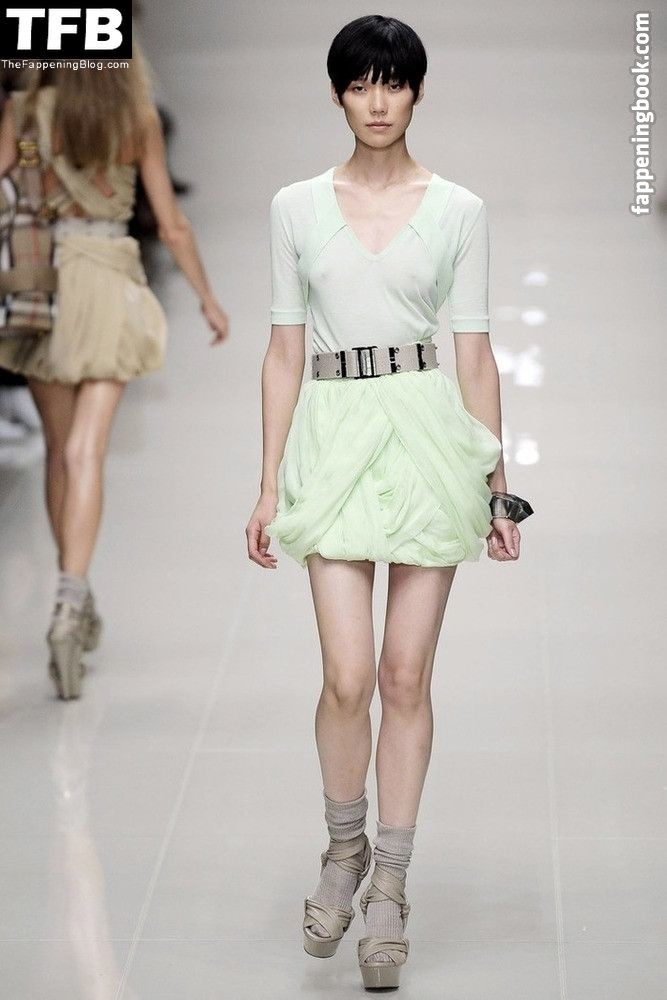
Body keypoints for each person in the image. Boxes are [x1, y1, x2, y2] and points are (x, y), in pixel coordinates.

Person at [245, 14, 532, 992]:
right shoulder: (294, 206)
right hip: (331, 438)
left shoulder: (457, 208)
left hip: (424, 437)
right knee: (346, 676)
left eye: (393, 83)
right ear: (337, 94)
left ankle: (390, 887)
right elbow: (282, 349)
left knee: (405, 676)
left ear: (415, 92)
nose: (377, 102)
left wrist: (498, 488)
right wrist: (266, 480)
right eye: (360, 84)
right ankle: (343, 848)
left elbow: (474, 352)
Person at [0, 41, 229, 701]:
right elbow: (172, 226)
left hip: (42, 285)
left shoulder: (26, 109)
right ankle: (71, 601)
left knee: (58, 454)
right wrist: (207, 299)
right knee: (86, 452)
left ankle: (73, 593)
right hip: (109, 284)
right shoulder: (136, 115)